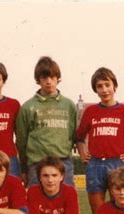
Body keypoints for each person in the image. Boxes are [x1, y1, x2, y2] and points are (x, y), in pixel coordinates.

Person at [76, 67, 124, 214]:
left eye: (107, 85)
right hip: (95, 164)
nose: (104, 89)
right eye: (99, 86)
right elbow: (79, 137)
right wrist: (82, 154)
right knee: (98, 212)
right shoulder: (90, 111)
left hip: (118, 164)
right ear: (95, 89)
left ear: (114, 86)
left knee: (120, 209)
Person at [15, 56, 77, 187]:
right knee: (36, 204)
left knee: (67, 202)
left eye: (52, 77)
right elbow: (21, 141)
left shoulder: (69, 105)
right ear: (38, 80)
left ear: (58, 78)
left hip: (63, 162)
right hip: (36, 164)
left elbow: (72, 135)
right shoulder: (27, 107)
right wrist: (24, 169)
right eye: (44, 78)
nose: (49, 81)